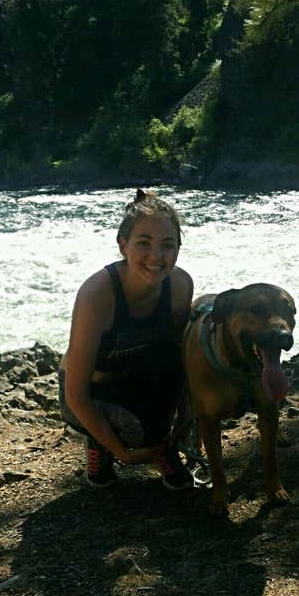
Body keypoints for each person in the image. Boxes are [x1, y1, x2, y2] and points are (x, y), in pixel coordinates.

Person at [59, 188, 194, 490]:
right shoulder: (98, 294)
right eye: (143, 244)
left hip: (139, 380)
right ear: (123, 246)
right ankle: (101, 446)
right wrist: (126, 455)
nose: (156, 257)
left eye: (168, 245)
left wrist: (186, 413)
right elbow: (75, 395)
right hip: (89, 392)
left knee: (175, 361)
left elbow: (177, 357)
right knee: (135, 432)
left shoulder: (180, 286)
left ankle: (164, 448)